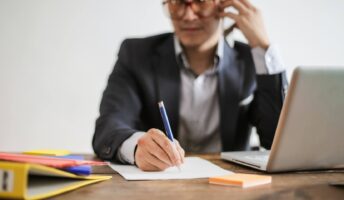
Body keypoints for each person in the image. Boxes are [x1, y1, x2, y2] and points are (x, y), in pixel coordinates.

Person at [92, 0, 288, 171]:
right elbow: (108, 126)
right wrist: (136, 146)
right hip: (158, 188)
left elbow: (277, 141)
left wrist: (263, 48)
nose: (187, 15)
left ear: (224, 4)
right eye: (177, 2)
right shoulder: (136, 55)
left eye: (201, 1)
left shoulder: (251, 59)